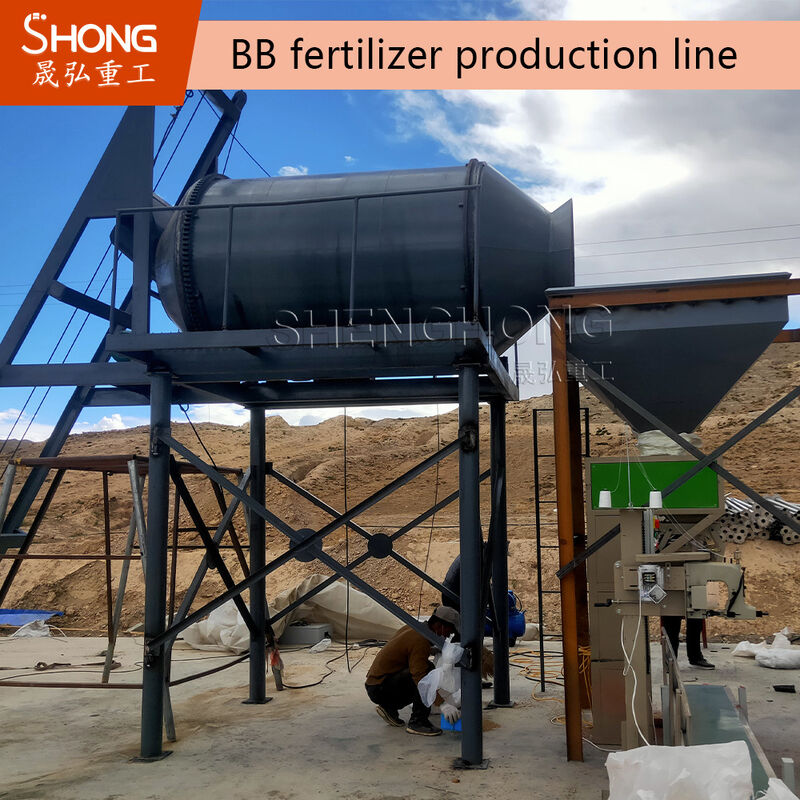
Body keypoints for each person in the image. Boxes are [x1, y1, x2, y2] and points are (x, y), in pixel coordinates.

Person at [365, 605, 459, 736]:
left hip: (376, 684)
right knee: (427, 672)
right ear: (439, 626)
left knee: (422, 671)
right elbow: (420, 678)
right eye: (449, 631)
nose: (448, 635)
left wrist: (432, 650)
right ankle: (418, 722)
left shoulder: (415, 628)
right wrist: (443, 704)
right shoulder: (420, 640)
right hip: (380, 689)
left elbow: (406, 650)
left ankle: (389, 708)